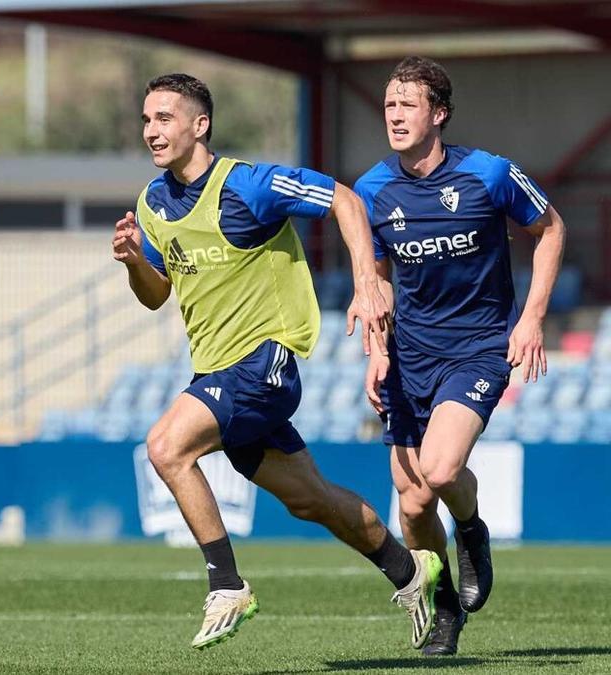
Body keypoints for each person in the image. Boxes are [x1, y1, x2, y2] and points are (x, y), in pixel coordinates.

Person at [114, 73, 442, 651]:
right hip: (215, 370)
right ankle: (411, 571)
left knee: (166, 446)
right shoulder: (153, 203)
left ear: (200, 124)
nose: (152, 131)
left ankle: (227, 583)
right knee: (311, 499)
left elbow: (343, 197)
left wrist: (368, 283)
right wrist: (133, 263)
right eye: (146, 120)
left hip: (263, 362)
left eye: (164, 118)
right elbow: (157, 292)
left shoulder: (248, 185)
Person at [355, 56, 566, 656]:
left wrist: (531, 318)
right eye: (389, 103)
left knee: (442, 471)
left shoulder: (490, 174)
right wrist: (376, 349)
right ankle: (444, 607)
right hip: (408, 355)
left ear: (438, 114)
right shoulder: (373, 189)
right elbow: (377, 274)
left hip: (477, 347)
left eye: (407, 104)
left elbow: (551, 230)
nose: (394, 114)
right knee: (414, 501)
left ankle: (472, 531)